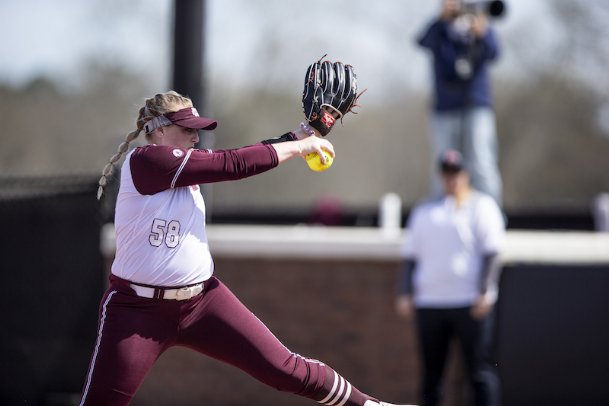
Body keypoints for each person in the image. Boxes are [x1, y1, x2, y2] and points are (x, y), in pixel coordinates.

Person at [80, 90, 413, 406]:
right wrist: (299, 147)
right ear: (160, 130)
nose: (196, 138)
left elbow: (243, 156)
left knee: (284, 368)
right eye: (187, 130)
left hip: (202, 301)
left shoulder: (184, 164)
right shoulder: (146, 162)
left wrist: (302, 135)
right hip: (137, 311)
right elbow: (233, 165)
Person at [395, 150, 505, 406]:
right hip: (430, 302)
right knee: (432, 374)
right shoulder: (425, 211)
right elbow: (411, 256)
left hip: (469, 301)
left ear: (465, 175)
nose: (451, 180)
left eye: (456, 174)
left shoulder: (482, 206)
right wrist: (404, 292)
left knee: (480, 372)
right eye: (446, 174)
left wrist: (486, 291)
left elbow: (492, 252)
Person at [417, 0, 503, 205]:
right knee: (442, 165)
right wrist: (441, 19)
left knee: (481, 161)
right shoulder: (440, 29)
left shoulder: (480, 24)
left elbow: (495, 53)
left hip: (476, 104)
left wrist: (483, 31)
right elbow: (422, 41)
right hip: (444, 107)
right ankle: (441, 214)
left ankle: (492, 215)